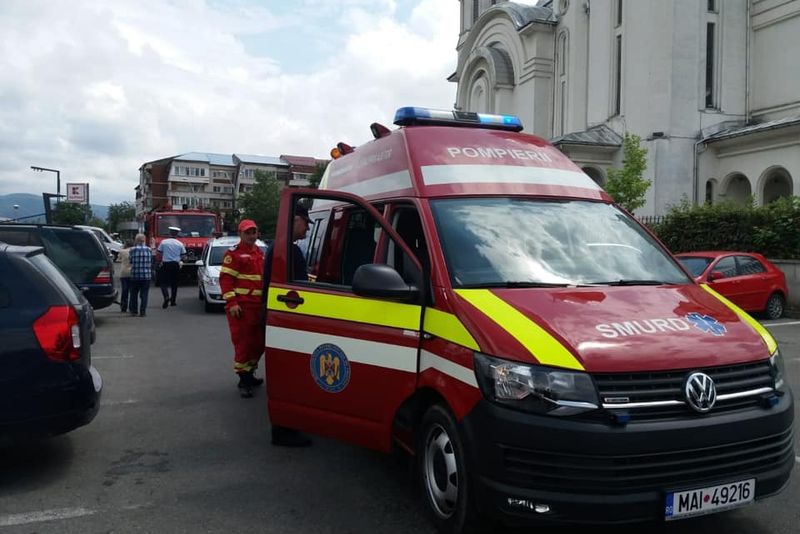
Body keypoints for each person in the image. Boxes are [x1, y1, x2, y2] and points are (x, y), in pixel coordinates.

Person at [263, 204, 313, 447]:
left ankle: (284, 426)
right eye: (305, 224)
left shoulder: (278, 247)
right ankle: (284, 430)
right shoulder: (289, 251)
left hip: (278, 317)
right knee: (289, 377)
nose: (307, 230)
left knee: (286, 375)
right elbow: (299, 289)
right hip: (287, 319)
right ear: (295, 220)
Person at [220, 219, 266, 399]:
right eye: (248, 232)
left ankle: (250, 373)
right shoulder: (234, 254)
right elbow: (226, 280)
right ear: (240, 234)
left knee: (258, 343)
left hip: (258, 307)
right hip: (242, 308)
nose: (252, 236)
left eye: (254, 232)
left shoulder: (259, 252)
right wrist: (232, 303)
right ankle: (244, 381)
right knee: (244, 344)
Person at [157, 226, 186, 308]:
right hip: (175, 265)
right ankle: (173, 301)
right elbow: (183, 255)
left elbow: (159, 252)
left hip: (166, 264)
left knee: (163, 283)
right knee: (174, 283)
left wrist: (164, 256)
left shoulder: (164, 242)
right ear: (177, 234)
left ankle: (166, 296)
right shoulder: (180, 243)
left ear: (169, 233)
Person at [128, 233, 153, 317]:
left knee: (134, 294)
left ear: (136, 240)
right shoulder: (149, 250)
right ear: (144, 240)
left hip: (135, 275)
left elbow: (130, 261)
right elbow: (151, 261)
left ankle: (134, 311)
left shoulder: (132, 250)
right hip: (146, 275)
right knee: (144, 294)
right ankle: (143, 312)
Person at [117, 240, 133, 313]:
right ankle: (132, 306)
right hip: (132, 272)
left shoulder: (122, 251)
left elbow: (118, 259)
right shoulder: (134, 250)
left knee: (124, 290)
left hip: (124, 272)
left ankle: (124, 306)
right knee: (132, 291)